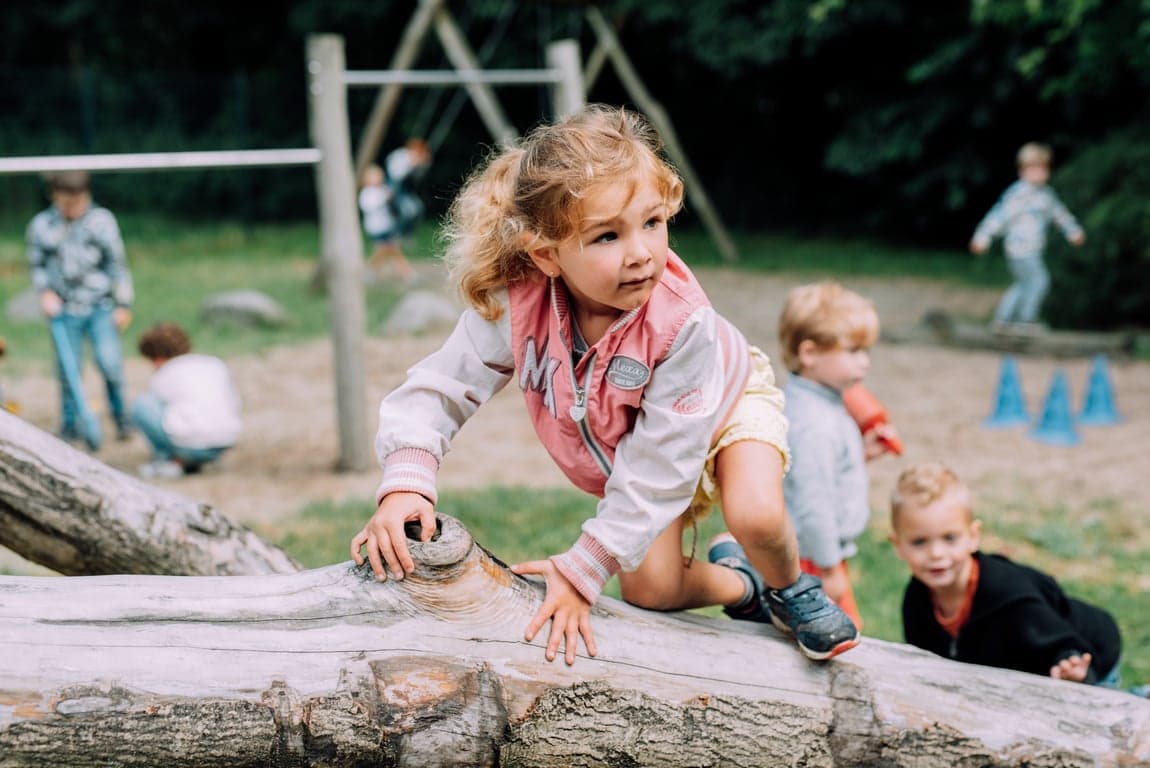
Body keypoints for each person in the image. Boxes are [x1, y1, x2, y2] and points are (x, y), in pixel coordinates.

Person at [350, 104, 859, 665]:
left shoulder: (682, 322)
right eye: (607, 236)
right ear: (547, 255)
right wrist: (407, 482)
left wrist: (585, 565)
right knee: (652, 591)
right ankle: (746, 586)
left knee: (756, 514)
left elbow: (666, 461)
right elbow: (442, 387)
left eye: (652, 222)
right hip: (638, 440)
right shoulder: (517, 304)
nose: (641, 252)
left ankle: (791, 587)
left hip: (726, 402)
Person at [889, 461, 1122, 686]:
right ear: (897, 545)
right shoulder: (918, 597)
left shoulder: (1010, 598)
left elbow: (1065, 645)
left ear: (973, 536)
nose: (936, 553)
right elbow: (925, 660)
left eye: (950, 538)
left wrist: (1073, 672)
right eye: (919, 542)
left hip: (1089, 656)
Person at [769, 281, 884, 630]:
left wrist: (859, 456)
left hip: (816, 554)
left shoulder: (819, 401)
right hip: (813, 562)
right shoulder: (814, 423)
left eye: (866, 351)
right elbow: (812, 502)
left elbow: (816, 472)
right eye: (853, 351)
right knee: (839, 635)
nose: (864, 362)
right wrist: (831, 568)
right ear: (809, 353)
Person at [26, 170, 134, 448]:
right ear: (55, 198)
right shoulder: (42, 225)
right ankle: (70, 426)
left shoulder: (101, 221)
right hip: (63, 310)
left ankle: (122, 419)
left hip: (100, 306)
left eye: (78, 202)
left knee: (109, 363)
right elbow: (37, 264)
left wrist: (123, 304)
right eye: (66, 203)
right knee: (67, 368)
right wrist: (45, 293)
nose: (72, 209)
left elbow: (117, 265)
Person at [969, 142, 1085, 333]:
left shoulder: (1046, 195)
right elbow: (999, 217)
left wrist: (1073, 231)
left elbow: (1059, 215)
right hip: (1019, 248)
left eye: (1042, 168)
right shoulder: (1018, 194)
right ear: (1022, 171)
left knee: (1023, 283)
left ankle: (1003, 319)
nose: (1038, 173)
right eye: (1033, 168)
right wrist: (982, 237)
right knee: (1039, 281)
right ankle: (1026, 320)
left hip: (1034, 248)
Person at [130, 322, 242, 480]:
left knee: (143, 405)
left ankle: (169, 460)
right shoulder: (213, 363)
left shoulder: (166, 372)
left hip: (191, 446)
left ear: (158, 358)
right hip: (224, 442)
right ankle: (188, 459)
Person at [358, 138, 433, 283]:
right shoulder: (367, 193)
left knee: (387, 250)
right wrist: (385, 198)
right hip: (377, 227)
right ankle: (408, 275)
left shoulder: (381, 189)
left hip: (385, 225)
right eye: (375, 177)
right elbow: (370, 206)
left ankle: (372, 272)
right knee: (391, 250)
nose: (379, 178)